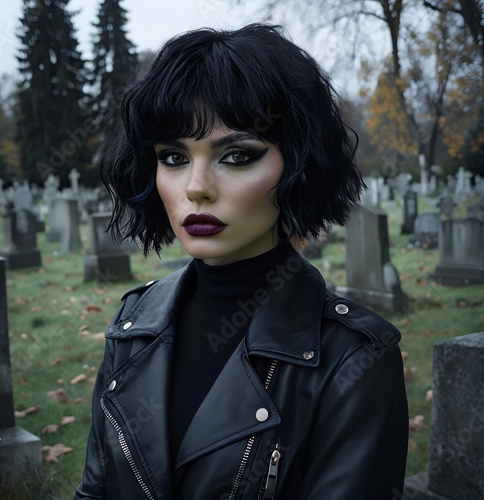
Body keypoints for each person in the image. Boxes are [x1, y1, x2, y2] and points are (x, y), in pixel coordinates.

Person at [74, 23, 408, 500]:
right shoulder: (133, 324)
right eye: (173, 157)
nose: (196, 186)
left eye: (236, 156)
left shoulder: (354, 357)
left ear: (297, 165)